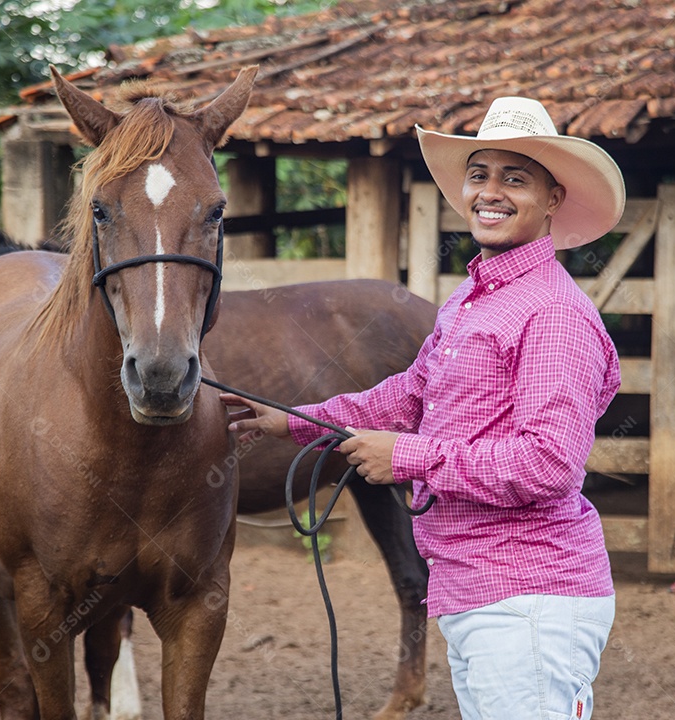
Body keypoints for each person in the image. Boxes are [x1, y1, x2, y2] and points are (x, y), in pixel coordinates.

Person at [221, 96, 625, 720]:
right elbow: (407, 394)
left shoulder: (554, 316)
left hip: (529, 598)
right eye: (479, 174)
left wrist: (407, 456)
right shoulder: (473, 297)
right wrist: (289, 419)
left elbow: (548, 464)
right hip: (475, 591)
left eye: (515, 178)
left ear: (553, 200)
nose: (490, 192)